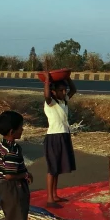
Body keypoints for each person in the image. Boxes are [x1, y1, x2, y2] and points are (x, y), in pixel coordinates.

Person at [43, 73, 77, 208]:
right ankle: (50, 198)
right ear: (53, 92)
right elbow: (46, 95)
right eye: (61, 90)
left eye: (65, 90)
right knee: (52, 168)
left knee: (57, 168)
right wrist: (46, 80)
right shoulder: (50, 103)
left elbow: (74, 90)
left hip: (64, 135)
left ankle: (55, 195)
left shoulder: (64, 101)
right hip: (54, 137)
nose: (64, 92)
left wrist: (68, 78)